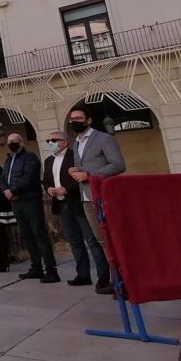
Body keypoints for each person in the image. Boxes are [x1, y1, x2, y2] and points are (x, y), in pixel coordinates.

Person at [42, 132, 110, 292]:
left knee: (92, 241)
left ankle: (104, 277)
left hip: (78, 202)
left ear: (64, 142)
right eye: (48, 140)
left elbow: (80, 179)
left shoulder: (75, 157)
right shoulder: (48, 160)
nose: (50, 143)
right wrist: (48, 188)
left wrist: (67, 189)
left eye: (54, 140)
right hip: (61, 205)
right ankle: (83, 274)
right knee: (74, 241)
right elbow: (46, 180)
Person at [67, 108, 125, 293]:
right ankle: (115, 280)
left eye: (79, 118)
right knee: (101, 241)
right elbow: (83, 166)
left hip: (102, 196)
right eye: (72, 119)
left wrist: (89, 174)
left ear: (88, 120)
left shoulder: (103, 138)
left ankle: (123, 281)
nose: (75, 121)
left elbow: (118, 165)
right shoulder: (76, 143)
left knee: (111, 239)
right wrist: (75, 171)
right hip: (86, 197)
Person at [0, 133, 59, 283]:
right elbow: (3, 178)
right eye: (9, 141)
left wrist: (13, 191)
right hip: (16, 202)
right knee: (27, 235)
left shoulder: (30, 157)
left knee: (39, 234)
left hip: (30, 200)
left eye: (14, 141)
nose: (11, 143)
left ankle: (51, 270)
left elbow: (29, 178)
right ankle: (36, 267)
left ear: (21, 142)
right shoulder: (9, 159)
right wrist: (6, 190)